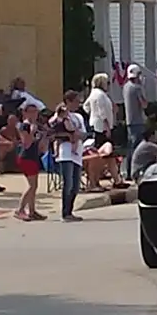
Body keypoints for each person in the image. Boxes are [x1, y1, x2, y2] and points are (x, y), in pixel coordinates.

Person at [51, 91, 86, 222]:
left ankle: (70, 211)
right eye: (76, 101)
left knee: (76, 186)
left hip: (77, 153)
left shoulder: (78, 117)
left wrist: (77, 135)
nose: (78, 104)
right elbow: (54, 130)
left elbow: (83, 133)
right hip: (65, 153)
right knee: (68, 183)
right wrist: (68, 135)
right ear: (69, 102)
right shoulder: (60, 115)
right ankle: (65, 213)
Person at [11, 103, 48, 222]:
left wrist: (44, 136)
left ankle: (32, 211)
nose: (34, 114)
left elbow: (41, 148)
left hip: (34, 157)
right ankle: (20, 209)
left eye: (35, 111)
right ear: (25, 113)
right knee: (32, 186)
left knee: (34, 186)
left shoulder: (36, 126)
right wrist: (32, 132)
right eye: (31, 111)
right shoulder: (24, 126)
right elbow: (26, 144)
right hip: (26, 157)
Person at [122, 64, 149, 161]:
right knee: (137, 147)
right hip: (138, 121)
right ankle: (134, 170)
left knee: (130, 146)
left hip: (129, 120)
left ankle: (128, 171)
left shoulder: (126, 87)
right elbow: (144, 104)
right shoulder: (137, 88)